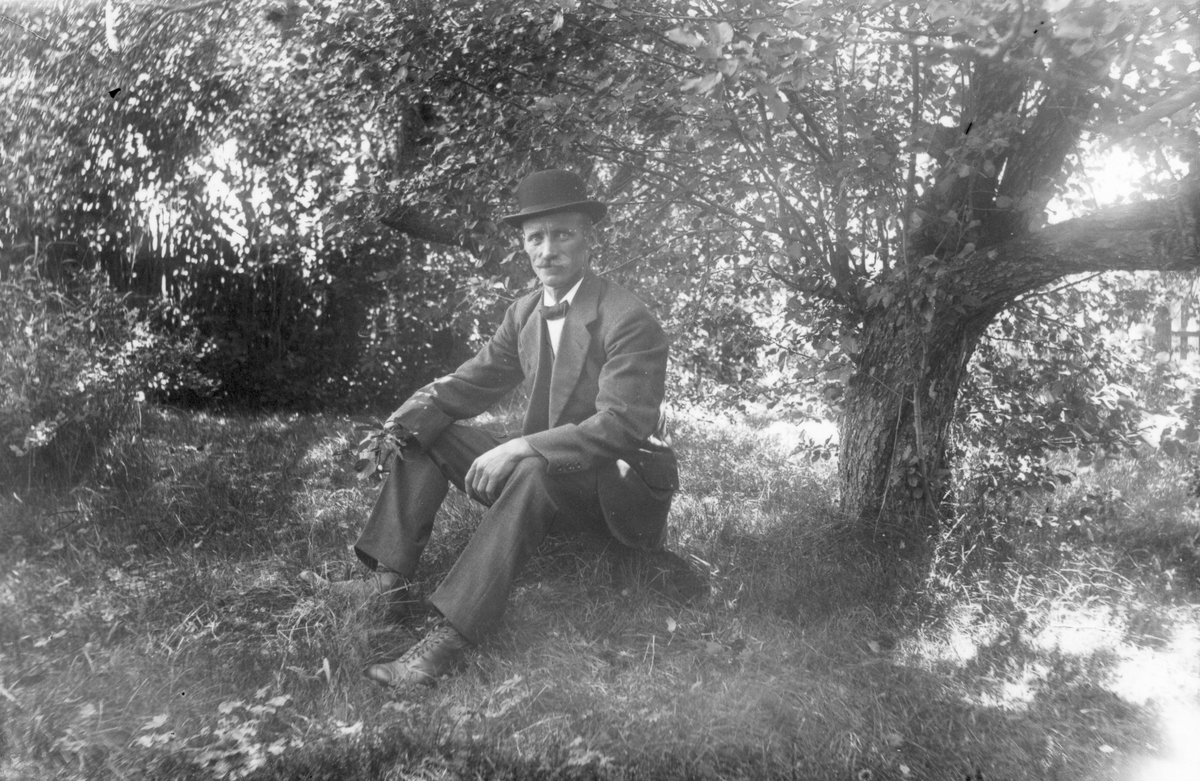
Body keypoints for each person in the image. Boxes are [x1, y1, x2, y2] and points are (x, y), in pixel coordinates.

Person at [306, 169, 679, 687]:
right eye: (535, 237)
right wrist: (400, 424)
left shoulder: (627, 317)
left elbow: (621, 425)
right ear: (523, 245)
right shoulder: (524, 312)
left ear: (589, 239)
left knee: (531, 470)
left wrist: (521, 445)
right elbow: (470, 383)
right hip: (555, 472)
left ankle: (450, 637)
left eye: (562, 234)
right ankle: (389, 584)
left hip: (617, 492)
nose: (548, 250)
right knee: (430, 430)